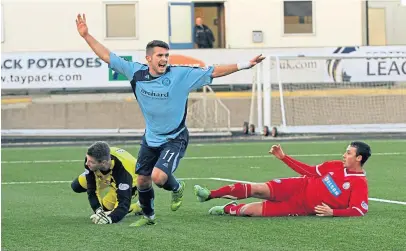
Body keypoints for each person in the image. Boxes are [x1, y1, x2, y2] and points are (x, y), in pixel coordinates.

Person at [75, 13, 265, 227]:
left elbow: (214, 71)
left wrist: (244, 65)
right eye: (160, 55)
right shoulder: (135, 73)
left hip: (175, 137)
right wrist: (86, 36)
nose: (164, 59)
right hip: (150, 138)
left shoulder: (180, 75)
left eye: (166, 55)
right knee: (143, 180)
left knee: (158, 177)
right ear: (149, 58)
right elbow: (108, 56)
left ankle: (176, 187)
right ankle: (149, 217)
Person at [194, 142, 371, 217]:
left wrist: (333, 213)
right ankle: (210, 194)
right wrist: (283, 157)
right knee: (258, 188)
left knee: (249, 210)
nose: (344, 155)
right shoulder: (334, 165)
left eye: (348, 153)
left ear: (358, 158)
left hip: (300, 207)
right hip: (296, 186)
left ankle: (228, 209)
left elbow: (358, 210)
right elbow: (308, 171)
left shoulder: (359, 183)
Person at [71, 141, 142, 224]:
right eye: (87, 159)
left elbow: (123, 205)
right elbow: (92, 189)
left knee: (110, 210)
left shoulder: (124, 174)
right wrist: (98, 210)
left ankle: (139, 207)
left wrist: (110, 219)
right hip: (106, 172)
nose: (87, 163)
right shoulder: (92, 157)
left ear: (103, 162)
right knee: (76, 186)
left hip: (132, 179)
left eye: (91, 162)